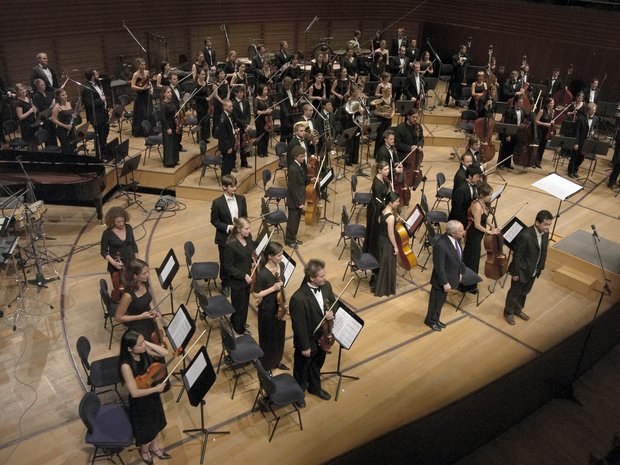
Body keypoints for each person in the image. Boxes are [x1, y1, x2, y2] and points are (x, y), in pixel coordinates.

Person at [290, 258, 336, 405]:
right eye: (321, 276)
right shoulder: (298, 298)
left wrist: (331, 312)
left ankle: (315, 388)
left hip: (322, 336)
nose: (325, 278)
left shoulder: (326, 286)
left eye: (324, 274)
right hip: (308, 340)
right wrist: (305, 346)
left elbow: (333, 303)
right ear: (311, 278)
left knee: (317, 365)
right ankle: (298, 394)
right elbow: (299, 326)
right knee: (302, 370)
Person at [118, 330, 169, 465]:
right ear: (129, 348)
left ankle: (154, 446)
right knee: (146, 428)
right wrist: (156, 389)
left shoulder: (143, 350)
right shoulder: (126, 366)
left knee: (155, 422)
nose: (143, 346)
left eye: (142, 342)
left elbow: (165, 353)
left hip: (151, 394)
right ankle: (144, 450)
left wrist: (145, 342)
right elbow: (134, 393)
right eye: (139, 344)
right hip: (140, 401)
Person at [503, 210, 552, 325]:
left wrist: (541, 267)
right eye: (545, 224)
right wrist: (515, 273)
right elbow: (517, 256)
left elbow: (544, 251)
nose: (547, 227)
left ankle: (517, 309)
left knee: (525, 292)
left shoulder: (545, 233)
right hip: (521, 271)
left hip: (533, 270)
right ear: (537, 223)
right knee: (514, 293)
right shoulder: (525, 235)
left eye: (549, 224)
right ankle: (508, 312)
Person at [251, 241, 288, 373]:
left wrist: (284, 300)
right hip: (267, 310)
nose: (281, 257)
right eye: (279, 255)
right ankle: (266, 365)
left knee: (279, 337)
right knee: (268, 339)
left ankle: (276, 361)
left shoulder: (281, 265)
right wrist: (273, 288)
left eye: (282, 254)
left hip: (279, 306)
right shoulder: (263, 274)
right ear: (270, 256)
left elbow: (282, 285)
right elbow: (256, 294)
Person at [424, 220, 466, 331]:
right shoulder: (440, 245)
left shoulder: (456, 240)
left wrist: (460, 272)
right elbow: (439, 267)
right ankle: (430, 320)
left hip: (451, 277)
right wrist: (445, 283)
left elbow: (458, 258)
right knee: (435, 302)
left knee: (441, 302)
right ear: (453, 233)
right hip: (441, 281)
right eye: (461, 230)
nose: (463, 232)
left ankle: (436, 319)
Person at [211, 174, 248, 298]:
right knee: (226, 262)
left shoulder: (241, 199)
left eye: (235, 185)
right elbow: (214, 221)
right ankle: (225, 283)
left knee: (239, 259)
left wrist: (242, 226)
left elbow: (244, 216)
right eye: (232, 187)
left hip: (240, 236)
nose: (235, 189)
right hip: (225, 237)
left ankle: (238, 278)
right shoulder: (217, 203)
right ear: (224, 187)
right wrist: (228, 227)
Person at [461, 183, 500, 293]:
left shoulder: (485, 204)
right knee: (471, 259)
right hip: (473, 235)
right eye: (489, 195)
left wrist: (492, 225)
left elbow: (485, 217)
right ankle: (466, 286)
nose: (491, 197)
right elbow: (477, 224)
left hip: (479, 235)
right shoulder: (477, 206)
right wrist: (490, 231)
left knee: (475, 259)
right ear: (482, 195)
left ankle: (471, 284)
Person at [115, 259, 161, 343]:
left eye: (148, 271)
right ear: (135, 276)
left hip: (148, 321)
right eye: (144, 273)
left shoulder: (145, 283)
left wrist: (152, 312)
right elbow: (118, 317)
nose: (148, 275)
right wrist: (140, 316)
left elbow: (146, 301)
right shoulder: (128, 295)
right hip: (138, 327)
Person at [223, 217, 255, 335]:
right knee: (239, 305)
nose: (249, 231)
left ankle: (238, 321)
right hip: (237, 280)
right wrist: (243, 276)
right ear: (239, 229)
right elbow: (228, 267)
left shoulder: (249, 237)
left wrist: (253, 258)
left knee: (244, 303)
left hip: (248, 276)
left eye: (249, 228)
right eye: (246, 229)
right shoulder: (231, 245)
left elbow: (250, 249)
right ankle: (239, 328)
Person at [374, 191, 400, 297]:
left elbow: (379, 220)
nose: (398, 203)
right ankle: (385, 289)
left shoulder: (384, 210)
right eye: (397, 201)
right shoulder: (391, 217)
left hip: (380, 240)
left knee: (383, 264)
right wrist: (396, 247)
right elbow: (391, 234)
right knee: (387, 265)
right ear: (390, 203)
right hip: (387, 243)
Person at [365, 161, 392, 259]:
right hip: (375, 209)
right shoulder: (377, 184)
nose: (388, 171)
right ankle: (372, 252)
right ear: (379, 171)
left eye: (388, 169)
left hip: (378, 204)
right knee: (374, 230)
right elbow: (378, 202)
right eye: (385, 169)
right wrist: (387, 208)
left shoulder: (383, 179)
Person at [101, 206, 138, 277]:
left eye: (123, 221)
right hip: (117, 263)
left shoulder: (128, 227)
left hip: (131, 261)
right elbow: (104, 252)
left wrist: (137, 261)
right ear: (112, 221)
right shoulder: (107, 233)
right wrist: (114, 263)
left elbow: (134, 245)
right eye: (118, 222)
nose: (121, 224)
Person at [82, 69, 110, 159]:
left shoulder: (98, 84)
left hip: (102, 112)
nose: (98, 74)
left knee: (105, 132)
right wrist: (101, 100)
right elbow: (89, 103)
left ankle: (104, 151)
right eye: (96, 74)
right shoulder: (87, 88)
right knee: (100, 135)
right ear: (92, 76)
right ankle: (100, 155)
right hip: (96, 116)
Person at [285, 146, 308, 249]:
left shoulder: (299, 165)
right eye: (301, 156)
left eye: (304, 156)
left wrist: (310, 179)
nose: (304, 158)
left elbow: (301, 179)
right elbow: (292, 188)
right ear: (296, 157)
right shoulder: (293, 169)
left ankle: (293, 237)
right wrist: (299, 202)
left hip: (299, 198)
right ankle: (289, 240)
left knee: (297, 220)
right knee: (292, 222)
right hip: (294, 200)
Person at [569, 102, 598, 179]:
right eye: (592, 110)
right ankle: (570, 171)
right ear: (588, 110)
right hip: (580, 140)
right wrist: (576, 143)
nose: (594, 112)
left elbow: (595, 128)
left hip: (587, 141)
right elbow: (577, 132)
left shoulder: (595, 119)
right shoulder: (581, 118)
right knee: (574, 156)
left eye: (594, 110)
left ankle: (575, 170)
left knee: (581, 158)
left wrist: (593, 132)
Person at [498, 94, 527, 170]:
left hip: (517, 133)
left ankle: (508, 164)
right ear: (515, 102)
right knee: (505, 149)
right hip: (509, 133)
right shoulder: (509, 111)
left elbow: (527, 117)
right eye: (520, 102)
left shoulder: (522, 110)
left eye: (522, 102)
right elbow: (507, 124)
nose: (522, 104)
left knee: (511, 149)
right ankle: (501, 164)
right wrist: (508, 135)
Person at [31, 78, 57, 147]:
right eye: (42, 85)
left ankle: (56, 150)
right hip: (45, 119)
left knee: (54, 135)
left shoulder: (47, 93)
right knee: (48, 137)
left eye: (44, 84)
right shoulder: (36, 96)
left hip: (52, 117)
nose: (44, 86)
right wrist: (50, 107)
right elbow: (40, 109)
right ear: (37, 86)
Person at [50, 88, 77, 154]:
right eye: (63, 95)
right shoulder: (57, 107)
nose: (65, 96)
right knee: (67, 150)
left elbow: (69, 114)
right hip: (62, 131)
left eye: (66, 94)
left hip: (71, 129)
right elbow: (53, 119)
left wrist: (73, 115)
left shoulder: (68, 103)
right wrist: (65, 126)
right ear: (58, 97)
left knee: (73, 148)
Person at [130, 58, 152, 137]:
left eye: (144, 65)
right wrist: (141, 89)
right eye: (142, 65)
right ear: (138, 66)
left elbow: (149, 82)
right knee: (142, 113)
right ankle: (142, 131)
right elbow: (132, 86)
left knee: (149, 112)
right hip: (140, 96)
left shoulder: (147, 72)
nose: (143, 66)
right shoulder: (135, 74)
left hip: (147, 95)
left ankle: (149, 129)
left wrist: (151, 88)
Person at [159, 86, 180, 167]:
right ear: (164, 94)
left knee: (174, 144)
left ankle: (174, 160)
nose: (170, 93)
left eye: (170, 92)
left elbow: (173, 114)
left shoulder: (171, 102)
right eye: (168, 92)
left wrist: (177, 120)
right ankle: (168, 162)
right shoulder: (163, 104)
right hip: (167, 126)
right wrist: (168, 128)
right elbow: (162, 118)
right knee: (168, 145)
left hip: (173, 125)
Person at [372, 86, 395, 158]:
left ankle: (386, 154)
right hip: (381, 121)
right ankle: (377, 155)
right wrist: (382, 114)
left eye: (390, 91)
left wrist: (391, 115)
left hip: (388, 120)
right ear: (384, 92)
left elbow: (393, 109)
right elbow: (375, 112)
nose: (390, 92)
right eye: (388, 91)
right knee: (380, 137)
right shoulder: (379, 100)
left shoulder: (391, 100)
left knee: (387, 137)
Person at [14, 83, 38, 151]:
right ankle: (30, 159)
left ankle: (37, 158)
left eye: (24, 89)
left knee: (35, 142)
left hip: (33, 123)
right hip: (26, 126)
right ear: (17, 92)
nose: (23, 91)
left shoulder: (28, 98)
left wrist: (35, 110)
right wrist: (30, 111)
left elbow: (33, 109)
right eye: (21, 90)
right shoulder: (18, 102)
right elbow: (20, 117)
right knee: (30, 144)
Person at [217, 99, 237, 176]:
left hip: (231, 142)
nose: (232, 108)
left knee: (230, 164)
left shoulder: (229, 115)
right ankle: (225, 180)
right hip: (226, 146)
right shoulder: (223, 118)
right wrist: (228, 147)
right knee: (226, 164)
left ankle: (228, 178)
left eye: (232, 106)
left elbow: (229, 129)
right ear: (224, 107)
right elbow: (223, 135)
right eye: (230, 106)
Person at [533, 97, 555, 169]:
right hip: (540, 131)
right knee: (538, 146)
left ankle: (538, 162)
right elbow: (536, 121)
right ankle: (533, 162)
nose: (553, 104)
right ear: (547, 104)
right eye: (551, 103)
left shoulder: (551, 111)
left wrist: (552, 122)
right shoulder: (542, 111)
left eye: (553, 103)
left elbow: (550, 120)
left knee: (542, 147)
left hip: (546, 132)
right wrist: (545, 124)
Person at [253, 84, 272, 157]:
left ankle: (265, 151)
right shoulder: (256, 99)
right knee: (260, 135)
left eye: (267, 90)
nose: (266, 91)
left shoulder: (268, 98)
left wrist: (270, 110)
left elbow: (271, 107)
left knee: (266, 135)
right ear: (261, 91)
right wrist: (265, 112)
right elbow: (255, 111)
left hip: (267, 119)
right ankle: (260, 152)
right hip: (260, 120)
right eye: (265, 90)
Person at [193, 69, 211, 143]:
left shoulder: (205, 83)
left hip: (205, 105)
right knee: (200, 121)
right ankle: (199, 138)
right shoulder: (196, 84)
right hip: (199, 105)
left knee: (206, 121)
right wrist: (204, 98)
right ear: (198, 75)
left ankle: (205, 137)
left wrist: (209, 98)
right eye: (202, 74)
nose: (204, 76)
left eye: (204, 74)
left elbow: (206, 93)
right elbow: (194, 96)